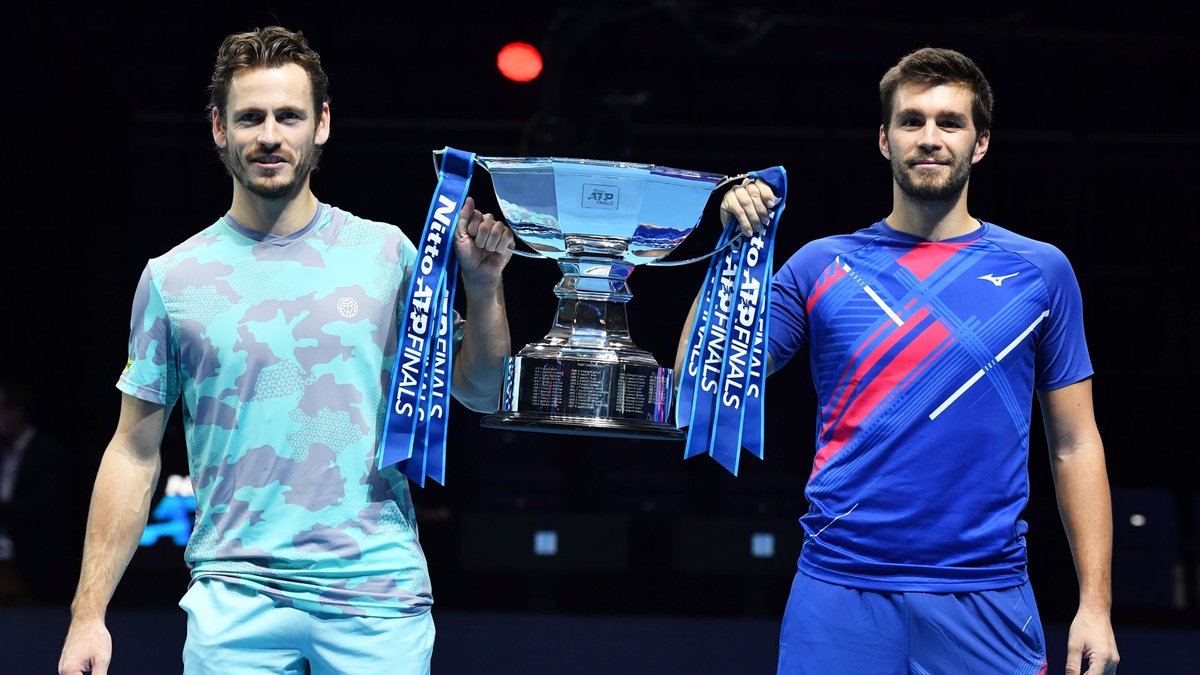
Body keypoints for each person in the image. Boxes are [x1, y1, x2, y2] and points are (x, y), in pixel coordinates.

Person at [58, 26, 514, 675]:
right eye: (250, 117)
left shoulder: (387, 256)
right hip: (234, 602)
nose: (269, 134)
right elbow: (133, 449)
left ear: (321, 124)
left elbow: (482, 390)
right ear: (219, 128)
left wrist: (485, 283)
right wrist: (87, 614)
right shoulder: (172, 278)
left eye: (288, 115)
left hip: (375, 601)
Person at [680, 47, 1118, 674]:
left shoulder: (1040, 271)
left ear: (981, 142)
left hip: (986, 598)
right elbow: (700, 384)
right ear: (884, 141)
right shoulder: (819, 265)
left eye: (950, 122)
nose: (930, 138)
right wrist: (731, 254)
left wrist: (1095, 604)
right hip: (838, 591)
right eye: (911, 121)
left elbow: (1075, 443)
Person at [0, 379, 77, 605]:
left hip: (34, 563)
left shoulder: (47, 454)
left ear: (17, 412)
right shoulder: (2, 450)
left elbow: (42, 508)